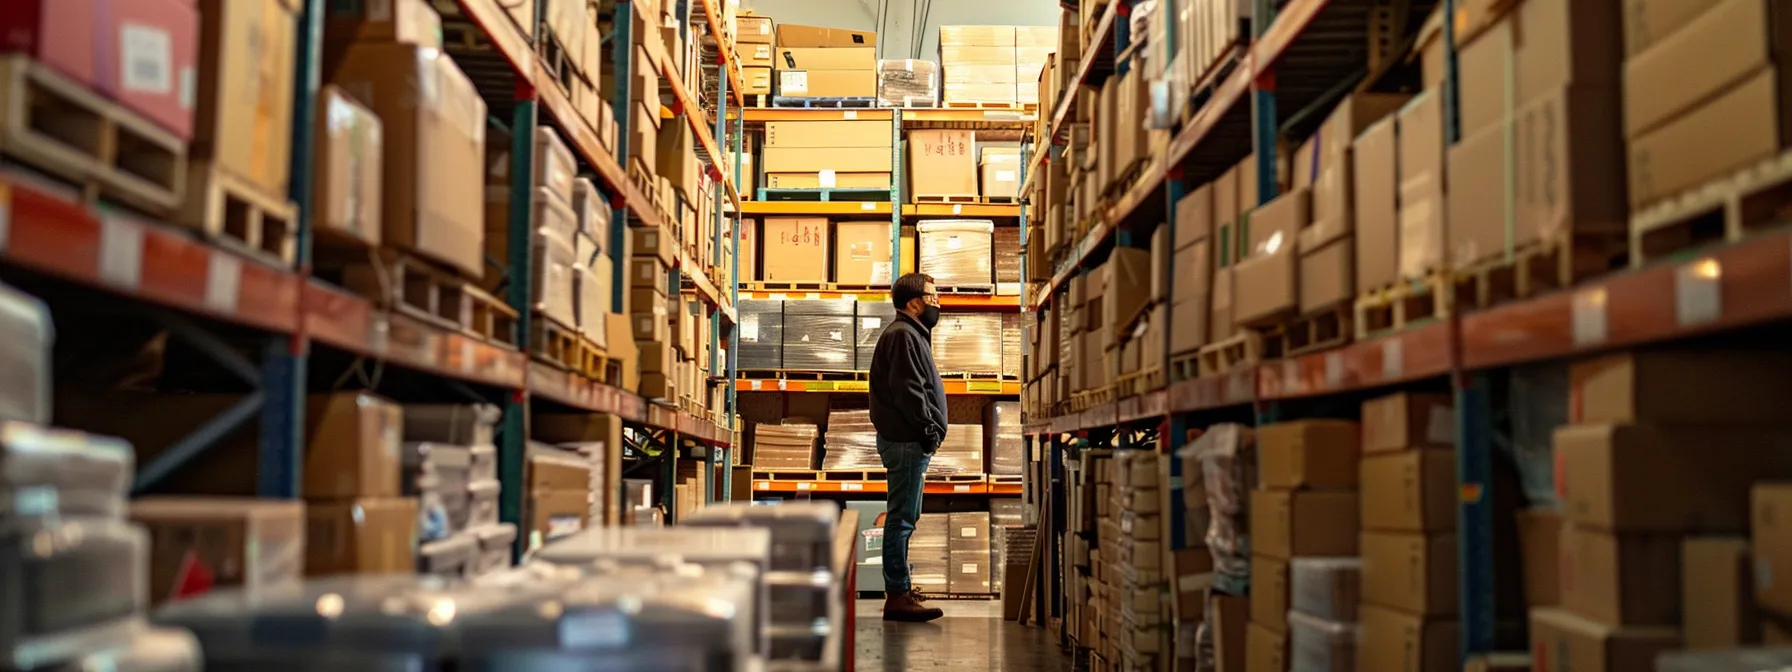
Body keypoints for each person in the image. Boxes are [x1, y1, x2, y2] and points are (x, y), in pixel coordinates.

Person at [868, 272, 949, 623]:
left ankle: (900, 591)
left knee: (905, 518)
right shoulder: (903, 335)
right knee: (901, 519)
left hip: (908, 441)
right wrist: (929, 429)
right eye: (933, 298)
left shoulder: (911, 334)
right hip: (906, 442)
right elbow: (910, 392)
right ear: (914, 303)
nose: (937, 304)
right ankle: (897, 595)